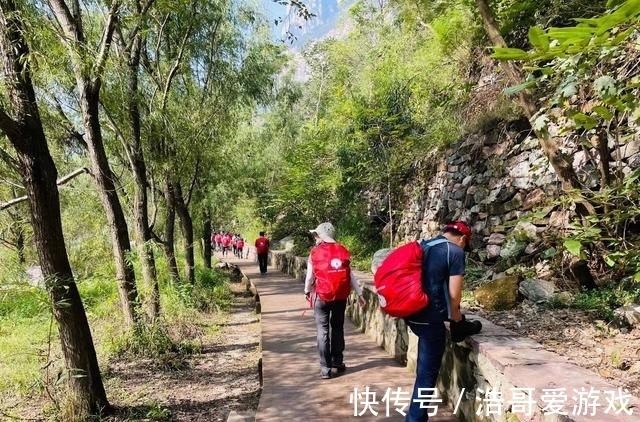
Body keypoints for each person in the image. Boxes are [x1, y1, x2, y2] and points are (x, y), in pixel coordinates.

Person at [404, 221, 481, 422]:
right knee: (426, 376)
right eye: (465, 244)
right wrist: (458, 321)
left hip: (411, 312)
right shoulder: (455, 252)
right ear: (463, 239)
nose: (464, 248)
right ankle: (415, 418)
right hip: (429, 317)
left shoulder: (425, 245)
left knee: (423, 370)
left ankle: (417, 416)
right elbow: (454, 296)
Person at [303, 222, 367, 379]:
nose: (315, 237)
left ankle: (325, 368)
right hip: (340, 296)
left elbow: (310, 276)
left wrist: (307, 290)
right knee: (337, 328)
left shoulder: (315, 252)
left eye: (316, 234)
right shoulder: (343, 250)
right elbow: (350, 274)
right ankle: (337, 361)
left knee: (322, 330)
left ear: (321, 236)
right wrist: (359, 294)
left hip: (322, 296)